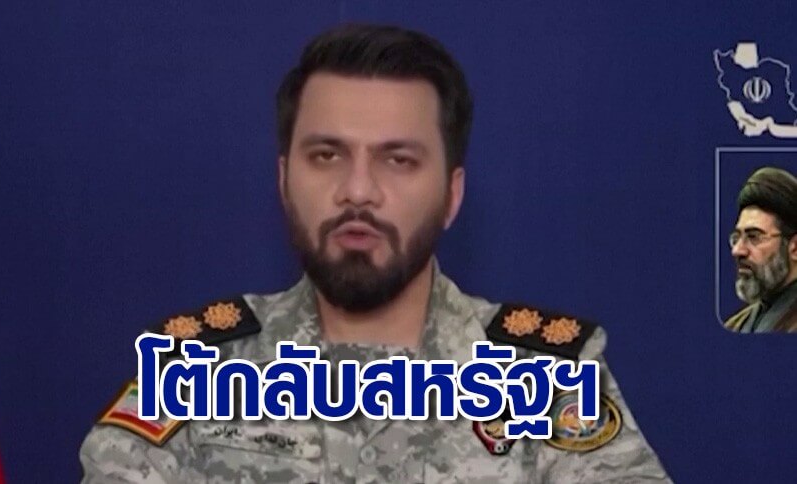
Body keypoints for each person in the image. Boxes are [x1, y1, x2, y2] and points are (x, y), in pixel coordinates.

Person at [80, 24, 670, 482]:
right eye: (327, 156)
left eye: (398, 160)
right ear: (284, 181)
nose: (358, 190)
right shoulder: (194, 368)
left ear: (452, 196)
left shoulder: (548, 373)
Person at [725, 167, 797, 333]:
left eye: (754, 237)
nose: (737, 250)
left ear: (794, 248)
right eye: (736, 237)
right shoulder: (734, 325)